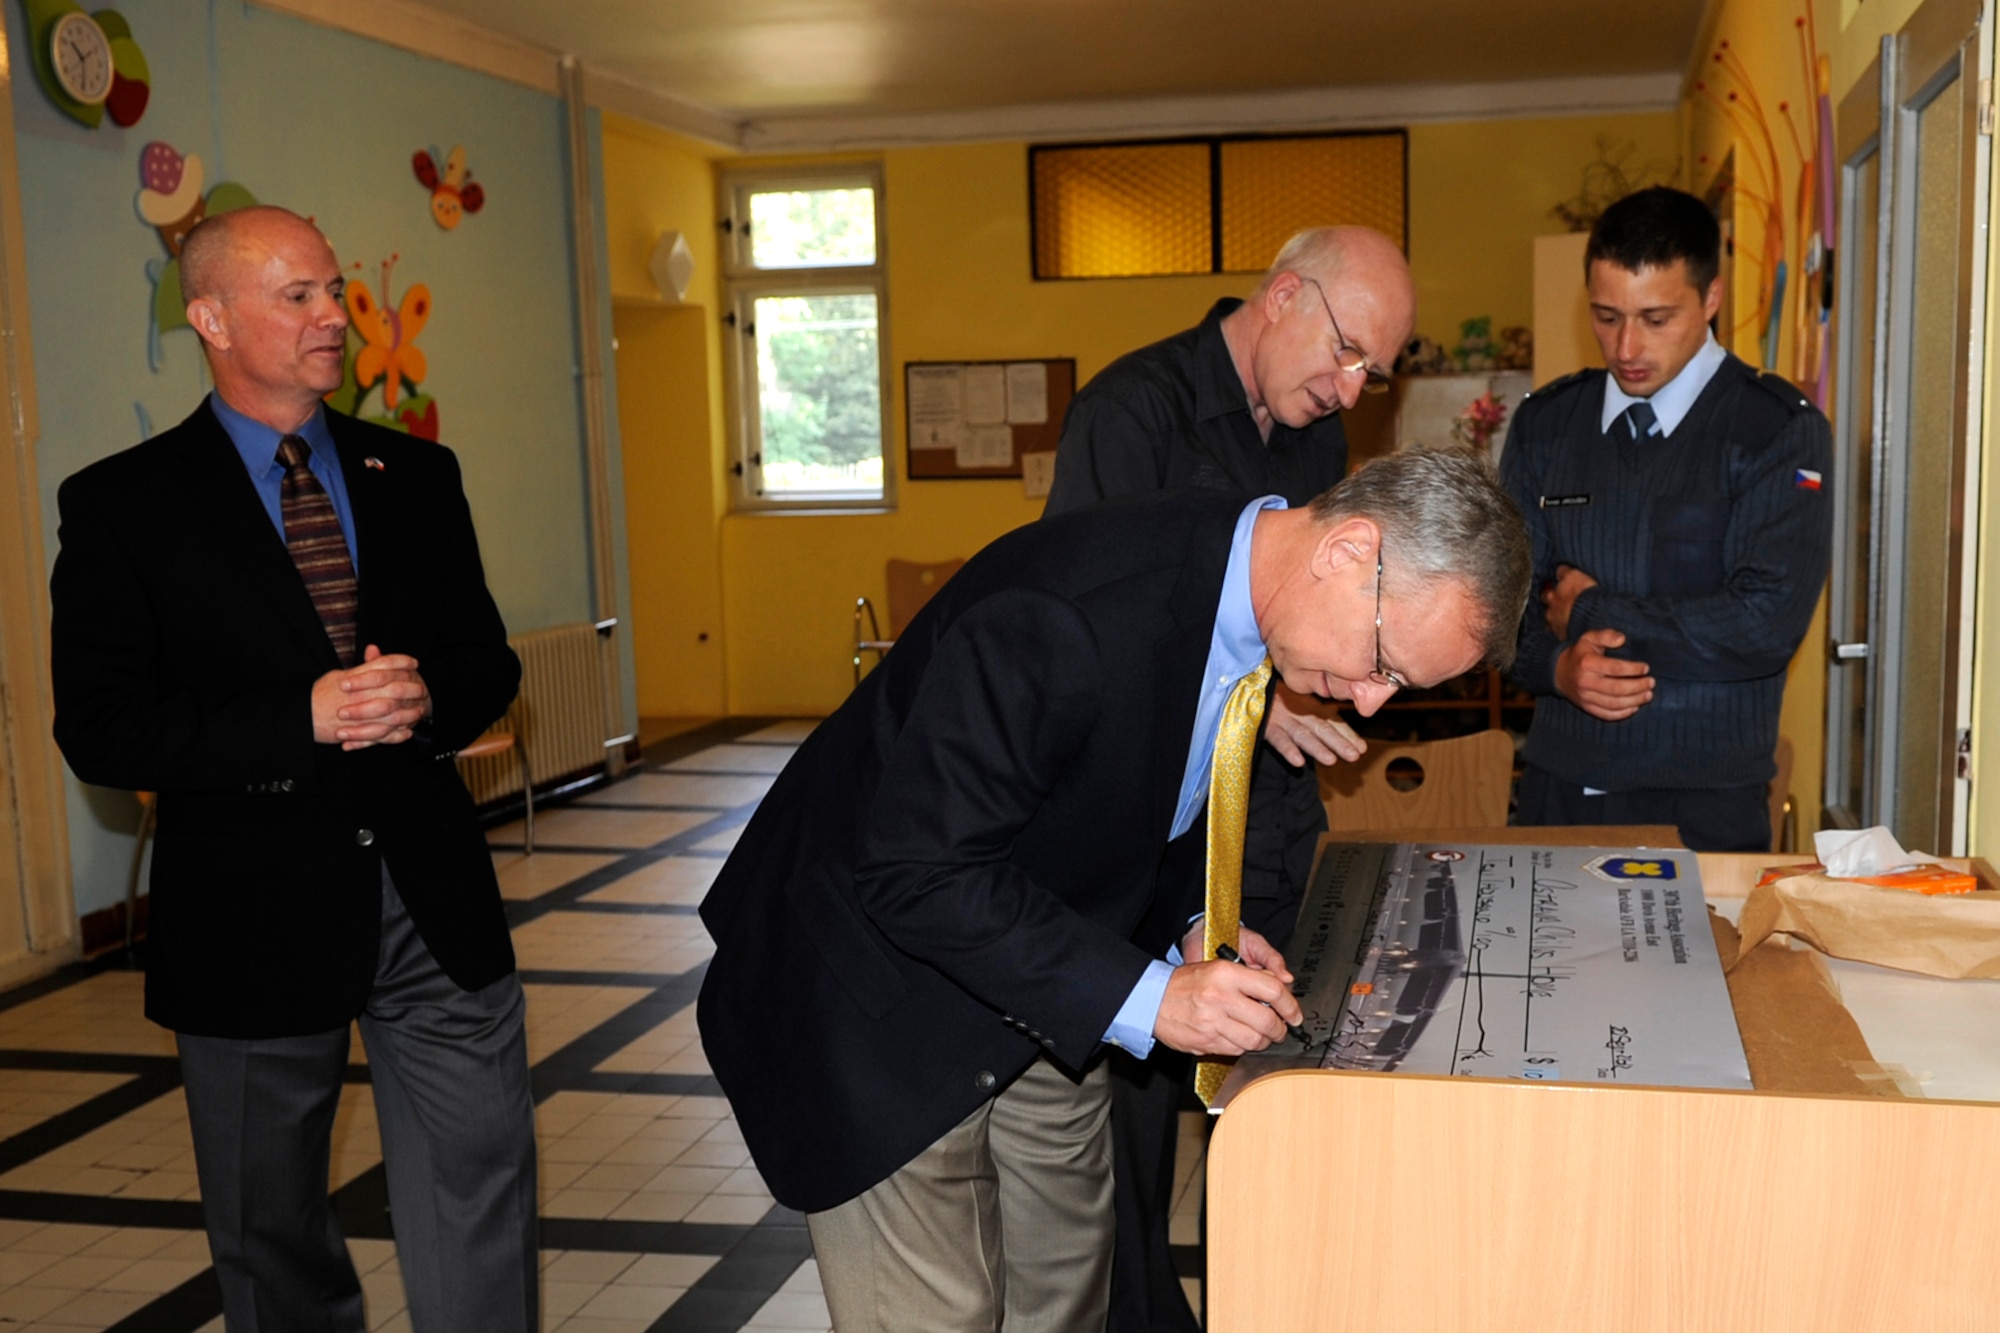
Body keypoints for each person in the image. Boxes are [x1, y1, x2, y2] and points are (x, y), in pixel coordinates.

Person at [698, 450, 1530, 1332]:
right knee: (942, 1312)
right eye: (1382, 662)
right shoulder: (1068, 612)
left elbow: (1136, 795)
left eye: (1397, 688)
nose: (1367, 703)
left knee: (1067, 1293)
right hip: (874, 995)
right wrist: (1152, 997)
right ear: (1347, 551)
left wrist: (1192, 922)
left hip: (1039, 972)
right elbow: (916, 870)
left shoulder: (1243, 595)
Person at [49, 206, 537, 1331]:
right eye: (299, 296)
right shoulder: (124, 505)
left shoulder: (414, 473)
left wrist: (429, 697)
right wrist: (297, 717)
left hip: (430, 900)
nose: (334, 317)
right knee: (270, 1232)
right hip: (248, 919)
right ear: (211, 318)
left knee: (480, 1183)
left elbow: (483, 658)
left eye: (334, 290)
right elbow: (105, 727)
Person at [1044, 224, 1415, 1331]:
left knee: (1251, 1093)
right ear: (1282, 292)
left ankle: (1252, 1291)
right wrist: (1266, 686)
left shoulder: (1309, 434)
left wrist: (1295, 687)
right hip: (1150, 828)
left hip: (1262, 827)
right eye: (1345, 351)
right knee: (1133, 1112)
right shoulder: (1133, 412)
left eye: (1372, 373)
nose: (1349, 387)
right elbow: (1089, 630)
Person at [1501, 186, 1833, 851]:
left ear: (1710, 299)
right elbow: (1502, 610)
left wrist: (1592, 612)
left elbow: (1763, 624)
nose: (1626, 346)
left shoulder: (1776, 433)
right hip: (1557, 788)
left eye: (1656, 318)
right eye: (1605, 316)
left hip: (1704, 803)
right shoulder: (1545, 426)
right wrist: (1559, 668)